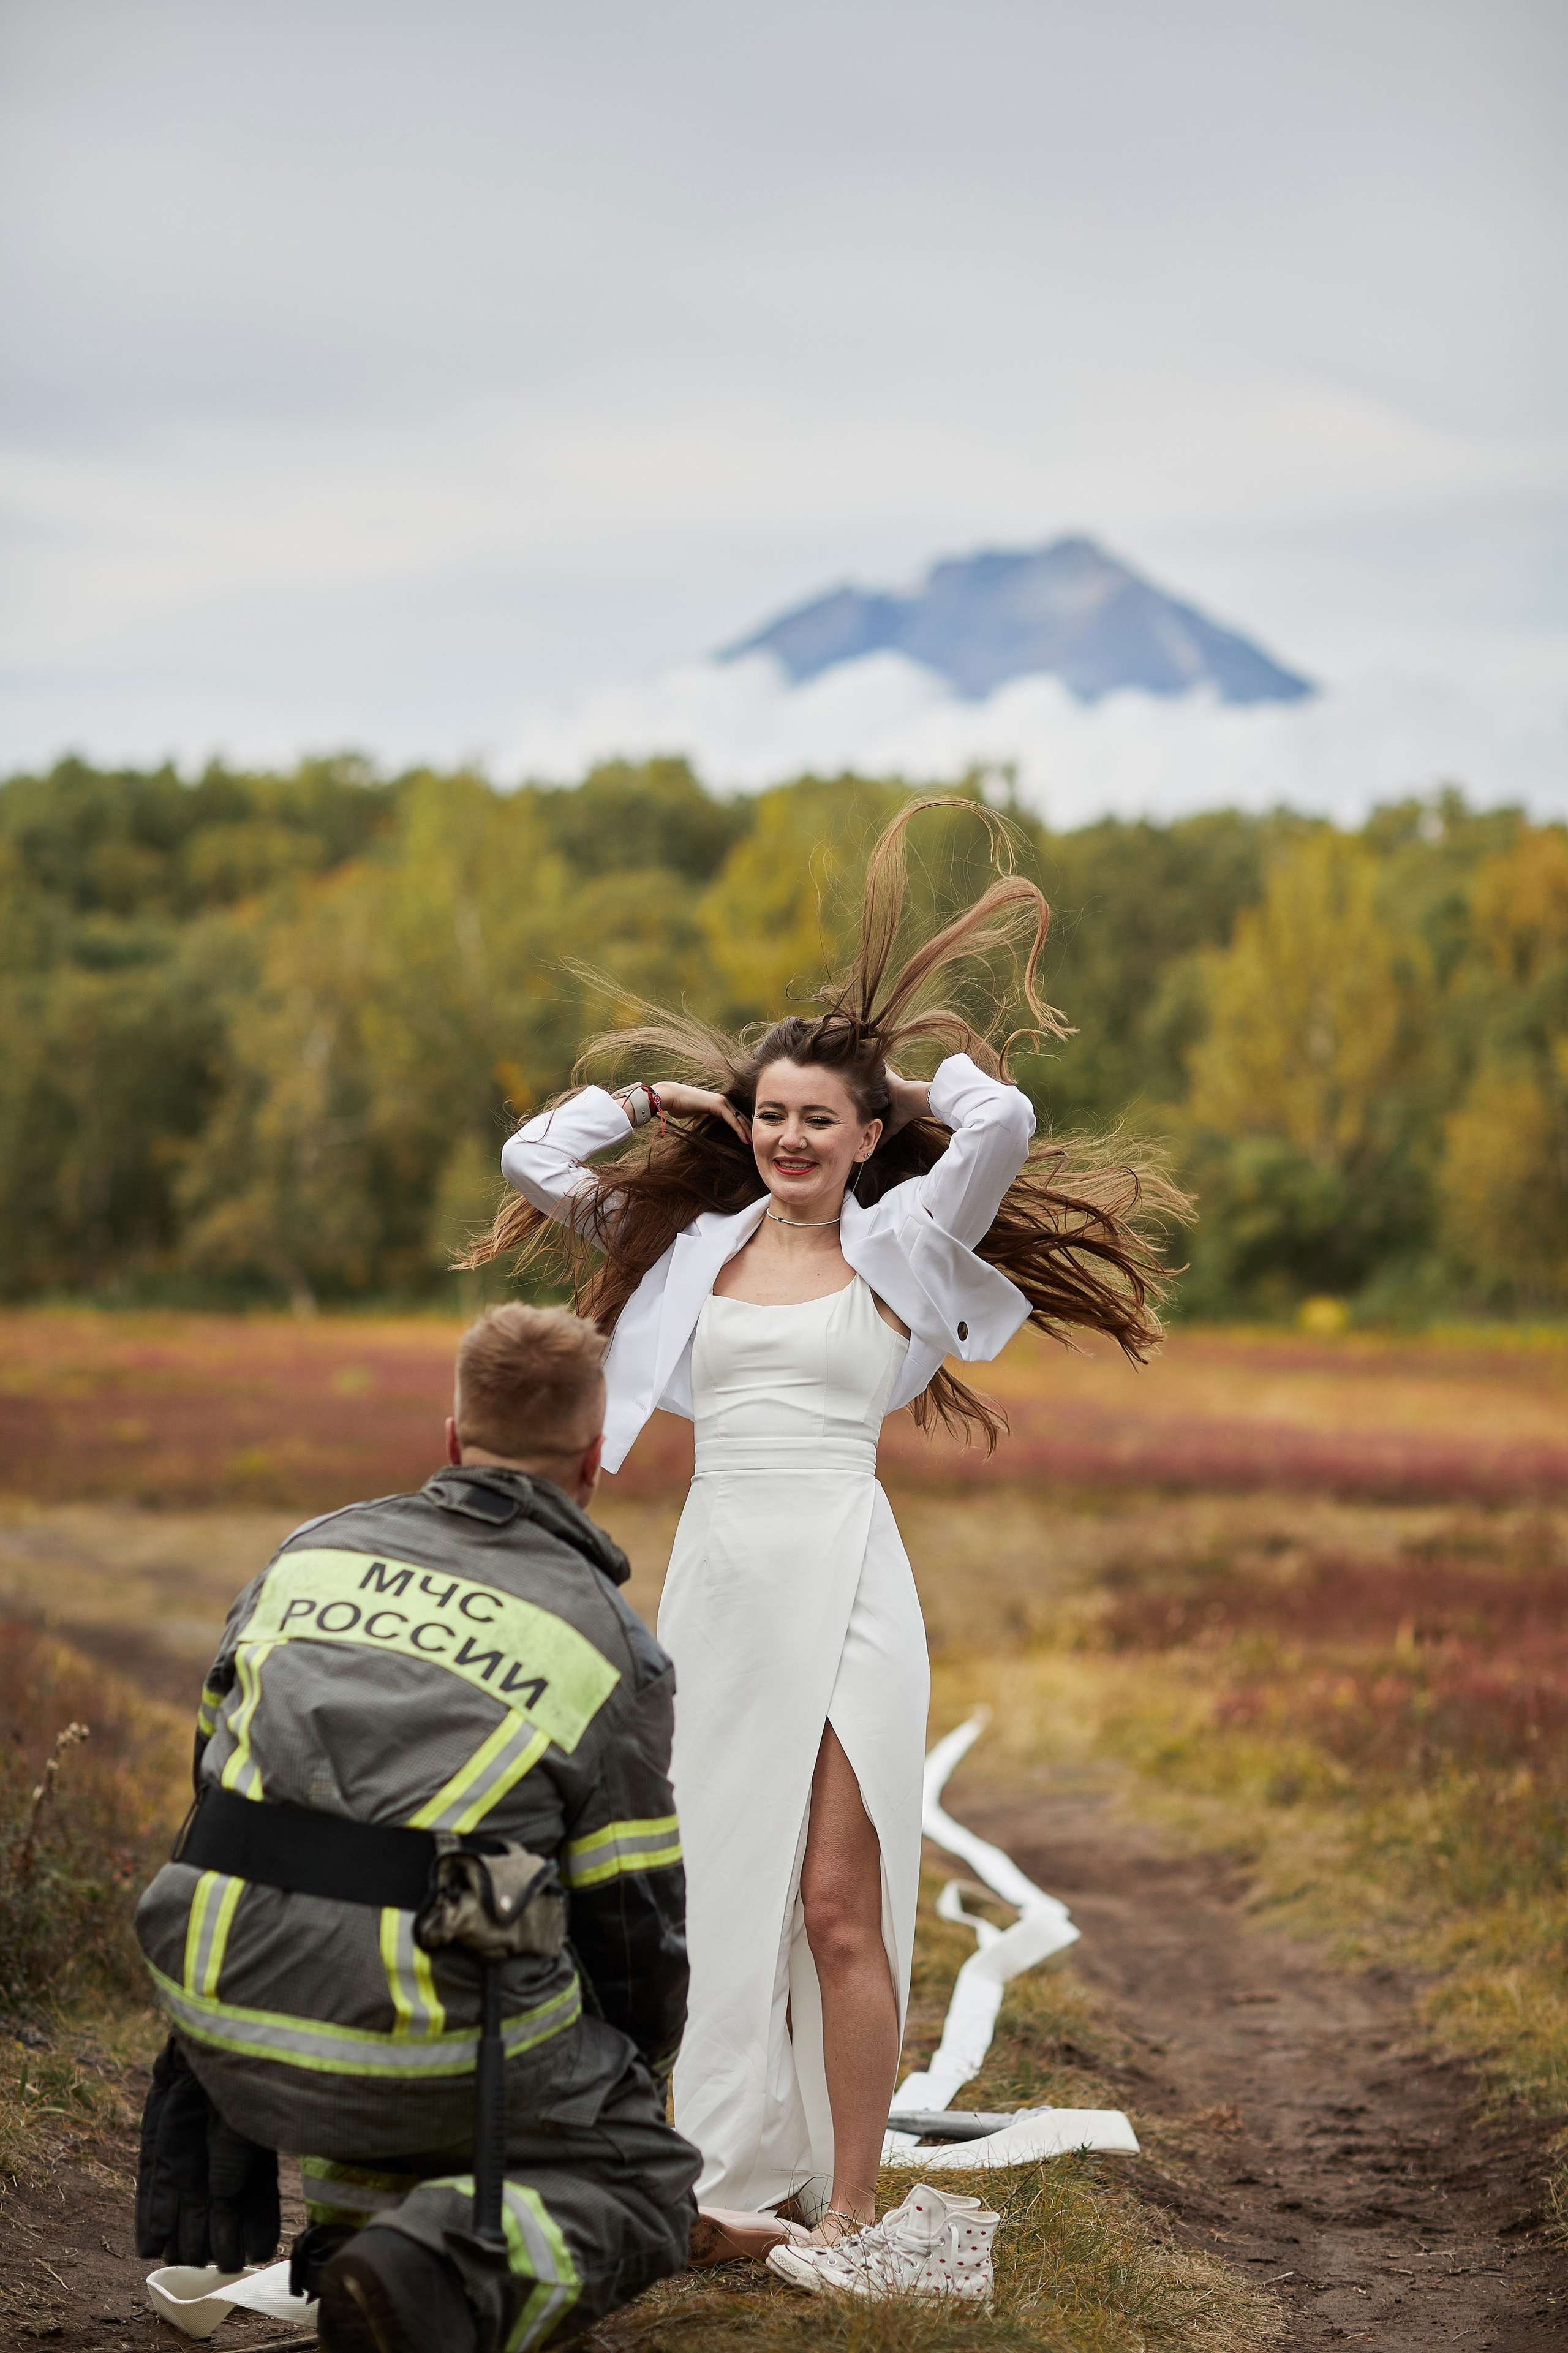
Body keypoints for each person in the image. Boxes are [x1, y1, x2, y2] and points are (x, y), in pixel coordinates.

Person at [468, 797, 1182, 2286]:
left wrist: (898, 1085)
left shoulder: (907, 1242)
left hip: (848, 1578)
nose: (790, 1138)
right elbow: (540, 1153)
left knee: (835, 1900)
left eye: (818, 1119)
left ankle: (849, 2203)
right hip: (720, 1586)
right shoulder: (683, 1254)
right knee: (712, 1882)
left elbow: (1003, 1118)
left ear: (863, 1139)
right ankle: (725, 2161)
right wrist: (671, 1103)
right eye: (772, 1113)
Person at [134, 1304, 701, 2353]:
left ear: (452, 1437)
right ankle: (432, 2269)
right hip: (416, 2049)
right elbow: (632, 1926)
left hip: (212, 2009)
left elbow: (212, 1780)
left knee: (421, 1950)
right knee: (644, 2178)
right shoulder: (609, 1643)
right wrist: (625, 2084)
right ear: (591, 1458)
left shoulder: (308, 1555)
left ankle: (357, 2247)